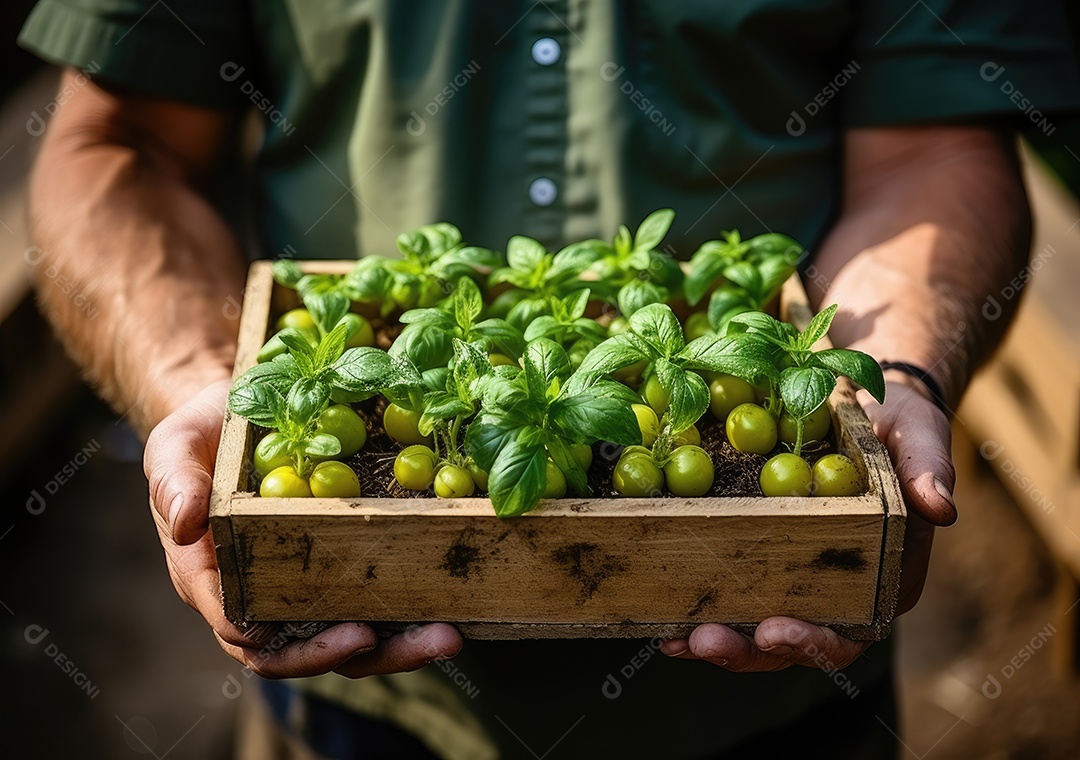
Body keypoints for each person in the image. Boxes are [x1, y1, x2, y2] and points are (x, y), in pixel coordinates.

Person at [18, 0, 1079, 757]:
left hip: (782, 713)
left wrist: (895, 364)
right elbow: (116, 142)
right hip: (367, 717)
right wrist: (196, 377)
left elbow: (934, 145)